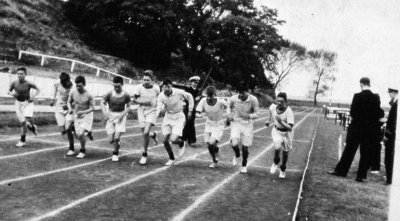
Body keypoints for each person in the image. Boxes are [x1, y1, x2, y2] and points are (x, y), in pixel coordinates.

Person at [328, 77, 384, 182]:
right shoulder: (376, 98)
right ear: (369, 84)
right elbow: (379, 113)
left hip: (357, 128)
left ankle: (341, 171)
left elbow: (353, 112)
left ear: (361, 84)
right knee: (365, 153)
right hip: (369, 130)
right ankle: (361, 176)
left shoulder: (357, 96)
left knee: (349, 150)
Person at [155, 78, 194, 166]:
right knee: (165, 141)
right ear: (162, 87)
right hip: (168, 117)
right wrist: (156, 115)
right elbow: (158, 108)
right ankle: (171, 158)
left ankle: (181, 142)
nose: (166, 89)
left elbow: (190, 97)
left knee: (173, 139)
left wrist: (190, 110)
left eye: (168, 87)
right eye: (164, 87)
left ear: (171, 86)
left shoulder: (179, 92)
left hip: (179, 117)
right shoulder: (161, 96)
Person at [227, 82, 260, 173]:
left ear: (247, 91)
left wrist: (249, 116)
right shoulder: (233, 98)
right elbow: (229, 107)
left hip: (247, 124)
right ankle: (237, 155)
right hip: (236, 122)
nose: (241, 95)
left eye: (243, 93)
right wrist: (230, 115)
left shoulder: (253, 99)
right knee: (234, 144)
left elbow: (257, 113)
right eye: (239, 93)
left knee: (245, 148)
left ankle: (244, 165)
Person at [196, 86, 229, 168]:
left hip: (218, 124)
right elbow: (197, 112)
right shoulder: (203, 101)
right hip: (208, 124)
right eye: (209, 95)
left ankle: (215, 161)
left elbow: (229, 106)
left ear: (215, 94)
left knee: (211, 143)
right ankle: (215, 154)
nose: (210, 97)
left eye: (212, 95)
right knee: (210, 145)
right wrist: (200, 115)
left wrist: (229, 116)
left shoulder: (220, 101)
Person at [132, 70, 160, 165]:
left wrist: (156, 103)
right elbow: (134, 100)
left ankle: (144, 154)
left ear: (152, 80)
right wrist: (144, 102)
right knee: (145, 134)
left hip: (152, 111)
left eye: (148, 80)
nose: (146, 82)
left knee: (145, 132)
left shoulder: (156, 88)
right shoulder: (138, 87)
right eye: (144, 80)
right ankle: (153, 135)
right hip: (141, 111)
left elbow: (159, 99)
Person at [8, 67, 40, 147]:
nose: (19, 75)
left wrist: (33, 96)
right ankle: (32, 128)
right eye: (18, 74)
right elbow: (9, 91)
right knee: (23, 122)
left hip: (27, 102)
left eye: (21, 74)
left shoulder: (29, 83)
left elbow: (38, 89)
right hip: (18, 103)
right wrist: (12, 94)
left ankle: (22, 140)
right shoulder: (14, 82)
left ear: (25, 74)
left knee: (27, 117)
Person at [101, 76, 131, 162]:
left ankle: (115, 153)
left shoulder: (126, 94)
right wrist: (105, 113)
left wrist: (122, 115)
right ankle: (117, 143)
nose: (117, 88)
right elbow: (102, 103)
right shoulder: (109, 93)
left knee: (117, 138)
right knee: (111, 140)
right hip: (110, 115)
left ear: (122, 85)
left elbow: (129, 107)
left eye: (118, 86)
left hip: (121, 115)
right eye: (115, 86)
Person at [266, 92, 294, 179]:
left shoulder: (289, 111)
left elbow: (290, 128)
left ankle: (282, 170)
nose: (279, 103)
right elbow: (270, 110)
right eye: (278, 101)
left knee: (285, 154)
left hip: (287, 134)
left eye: (281, 101)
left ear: (285, 102)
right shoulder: (273, 107)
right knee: (277, 147)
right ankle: (275, 162)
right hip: (276, 131)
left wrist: (281, 121)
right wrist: (268, 120)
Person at [68, 75, 95, 159]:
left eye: (80, 86)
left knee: (80, 133)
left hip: (87, 115)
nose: (78, 87)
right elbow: (69, 102)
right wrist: (69, 108)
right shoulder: (73, 92)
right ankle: (88, 132)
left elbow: (92, 108)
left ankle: (82, 151)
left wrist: (83, 112)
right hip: (77, 115)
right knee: (78, 135)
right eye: (77, 86)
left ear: (84, 85)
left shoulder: (89, 95)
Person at [50, 72, 75, 155]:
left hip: (69, 108)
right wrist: (52, 100)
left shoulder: (73, 86)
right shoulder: (57, 83)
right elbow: (55, 90)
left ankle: (71, 148)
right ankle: (74, 127)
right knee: (63, 131)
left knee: (67, 129)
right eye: (63, 82)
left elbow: (76, 100)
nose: (65, 83)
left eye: (66, 81)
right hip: (59, 107)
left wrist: (69, 106)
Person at [174, 76, 201, 147]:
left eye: (197, 83)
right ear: (191, 82)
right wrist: (195, 99)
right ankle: (189, 139)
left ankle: (185, 138)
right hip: (187, 109)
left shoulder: (198, 91)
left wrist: (198, 99)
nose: (196, 84)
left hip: (193, 109)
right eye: (194, 82)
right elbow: (187, 99)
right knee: (189, 123)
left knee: (190, 124)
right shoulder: (187, 90)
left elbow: (198, 102)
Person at [384, 85, 398, 185]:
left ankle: (389, 179)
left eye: (390, 93)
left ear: (393, 93)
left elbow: (392, 122)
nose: (389, 95)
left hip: (392, 136)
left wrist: (387, 135)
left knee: (389, 157)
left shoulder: (396, 104)